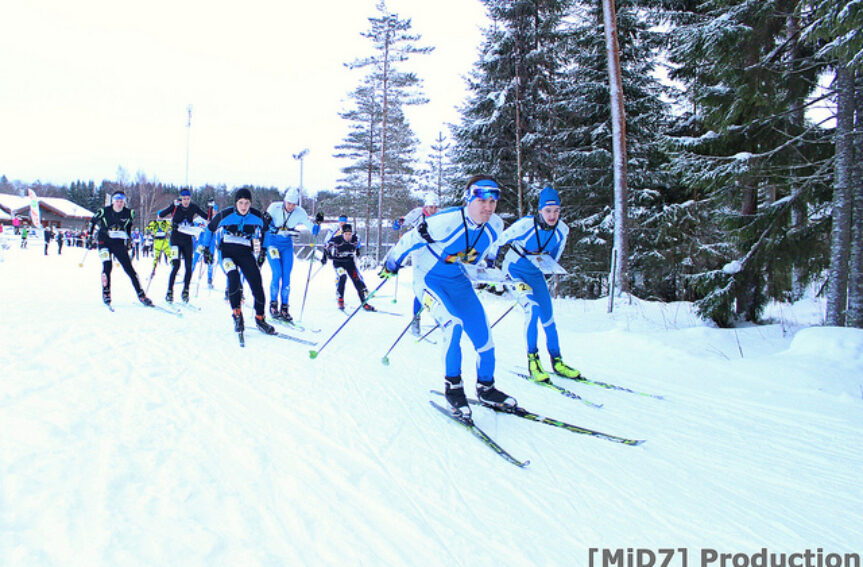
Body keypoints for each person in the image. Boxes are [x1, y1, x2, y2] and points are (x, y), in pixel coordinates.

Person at [379, 175, 515, 418]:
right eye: (482, 200)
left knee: (484, 334)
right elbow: (409, 240)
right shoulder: (446, 221)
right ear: (468, 198)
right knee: (453, 326)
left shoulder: (495, 225)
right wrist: (391, 263)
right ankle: (453, 388)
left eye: (493, 201)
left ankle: (487, 388)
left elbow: (491, 248)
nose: (488, 207)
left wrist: (491, 266)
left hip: (459, 282)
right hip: (429, 279)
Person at [488, 186, 580, 382]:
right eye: (548, 211)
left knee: (548, 316)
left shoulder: (562, 230)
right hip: (514, 270)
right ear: (540, 211)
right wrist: (489, 264)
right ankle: (533, 360)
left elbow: (555, 256)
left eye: (556, 211)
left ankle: (557, 361)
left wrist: (548, 269)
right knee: (533, 309)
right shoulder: (525, 225)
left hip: (535, 273)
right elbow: (498, 240)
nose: (552, 215)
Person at [197, 187, 276, 335]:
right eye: (241, 203)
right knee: (233, 277)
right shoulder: (225, 215)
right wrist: (206, 249)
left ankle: (260, 318)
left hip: (245, 252)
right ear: (236, 203)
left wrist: (264, 250)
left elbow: (266, 230)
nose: (244, 206)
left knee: (256, 282)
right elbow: (209, 229)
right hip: (227, 252)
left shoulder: (257, 216)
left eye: (247, 203)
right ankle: (237, 315)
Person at [88, 190, 152, 306]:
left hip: (118, 243)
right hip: (104, 241)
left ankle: (141, 295)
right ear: (113, 201)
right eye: (117, 201)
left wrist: (128, 240)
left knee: (129, 269)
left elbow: (128, 227)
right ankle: (106, 293)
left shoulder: (129, 213)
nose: (119, 203)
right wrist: (89, 236)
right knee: (107, 266)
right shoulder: (104, 211)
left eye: (121, 201)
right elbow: (92, 222)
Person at [262, 188, 316, 322]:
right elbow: (264, 224)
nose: (291, 206)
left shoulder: (300, 212)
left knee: (286, 276)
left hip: (286, 245)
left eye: (294, 204)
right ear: (284, 200)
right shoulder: (274, 207)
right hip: (272, 244)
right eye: (289, 203)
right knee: (277, 273)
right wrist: (268, 225)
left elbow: (313, 229)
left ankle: (285, 308)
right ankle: (273, 305)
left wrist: (318, 224)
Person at [393, 193, 440, 335]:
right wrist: (399, 222)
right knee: (421, 286)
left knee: (436, 285)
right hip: (419, 252)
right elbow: (402, 222)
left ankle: (439, 315)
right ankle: (416, 319)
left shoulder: (440, 215)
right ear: (425, 206)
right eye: (430, 207)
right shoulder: (418, 213)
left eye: (435, 207)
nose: (432, 210)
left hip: (434, 251)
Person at [158, 189, 208, 303]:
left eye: (188, 199)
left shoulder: (193, 207)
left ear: (190, 199)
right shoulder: (176, 207)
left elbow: (206, 217)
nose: (186, 201)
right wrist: (172, 206)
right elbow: (161, 215)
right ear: (180, 199)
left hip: (187, 239)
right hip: (175, 238)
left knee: (188, 266)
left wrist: (210, 210)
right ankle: (170, 291)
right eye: (184, 199)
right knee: (176, 266)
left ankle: (186, 290)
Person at [325, 223, 375, 311]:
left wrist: (358, 251)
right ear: (342, 234)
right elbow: (326, 247)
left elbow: (357, 245)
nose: (348, 236)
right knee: (343, 277)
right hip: (338, 262)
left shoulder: (355, 239)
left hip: (349, 263)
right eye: (346, 234)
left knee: (357, 280)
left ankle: (364, 303)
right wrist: (327, 256)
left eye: (349, 234)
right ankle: (340, 299)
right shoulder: (337, 240)